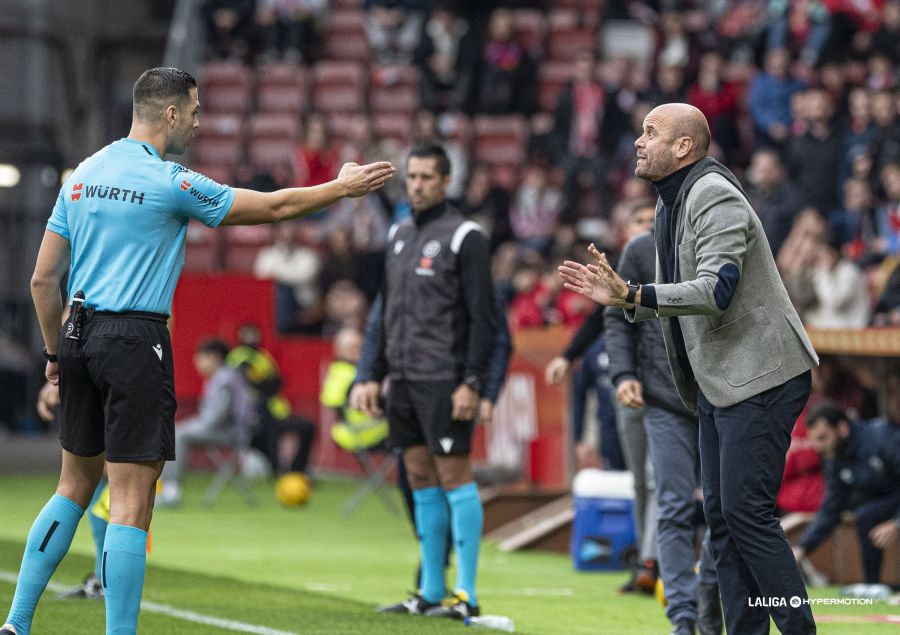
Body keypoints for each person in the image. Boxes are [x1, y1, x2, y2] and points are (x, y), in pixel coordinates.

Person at [2, 66, 393, 635]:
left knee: (72, 487)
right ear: (169, 113)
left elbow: (42, 281)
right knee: (132, 501)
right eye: (195, 108)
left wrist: (55, 356)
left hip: (77, 335)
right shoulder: (170, 182)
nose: (199, 119)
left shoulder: (82, 175)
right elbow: (274, 208)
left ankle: (16, 622)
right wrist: (341, 188)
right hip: (135, 339)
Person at [559, 102, 819, 635]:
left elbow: (716, 290)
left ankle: (800, 631)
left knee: (747, 515)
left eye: (650, 132)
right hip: (724, 381)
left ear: (683, 147)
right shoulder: (668, 205)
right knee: (723, 520)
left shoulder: (714, 194)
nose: (637, 141)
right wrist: (626, 301)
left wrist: (632, 293)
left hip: (763, 373)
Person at [353, 144, 498, 620]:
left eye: (426, 178)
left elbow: (485, 319)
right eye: (411, 177)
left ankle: (468, 594)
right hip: (404, 380)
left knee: (455, 476)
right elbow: (382, 314)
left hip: (445, 379)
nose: (416, 185)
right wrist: (370, 374)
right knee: (418, 478)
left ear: (446, 181)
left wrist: (472, 383)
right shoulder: (397, 234)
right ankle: (431, 591)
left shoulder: (466, 237)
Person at [602, 201, 722, 634]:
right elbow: (616, 317)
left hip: (719, 397)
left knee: (721, 510)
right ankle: (683, 618)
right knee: (670, 504)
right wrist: (624, 373)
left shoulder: (716, 244)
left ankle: (708, 606)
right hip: (663, 398)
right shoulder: (638, 251)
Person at [792, 401, 900, 586]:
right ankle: (872, 587)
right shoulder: (834, 458)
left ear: (841, 428)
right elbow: (831, 509)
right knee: (865, 516)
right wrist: (801, 548)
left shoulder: (881, 437)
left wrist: (897, 523)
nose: (817, 446)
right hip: (886, 500)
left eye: (823, 437)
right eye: (814, 440)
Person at [227, 323, 316, 476]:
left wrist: (269, 383)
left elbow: (277, 381)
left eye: (254, 334)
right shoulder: (239, 357)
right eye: (247, 335)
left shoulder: (263, 356)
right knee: (270, 434)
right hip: (253, 412)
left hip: (275, 409)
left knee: (307, 427)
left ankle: (297, 470)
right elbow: (257, 384)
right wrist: (269, 383)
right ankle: (277, 471)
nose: (252, 339)